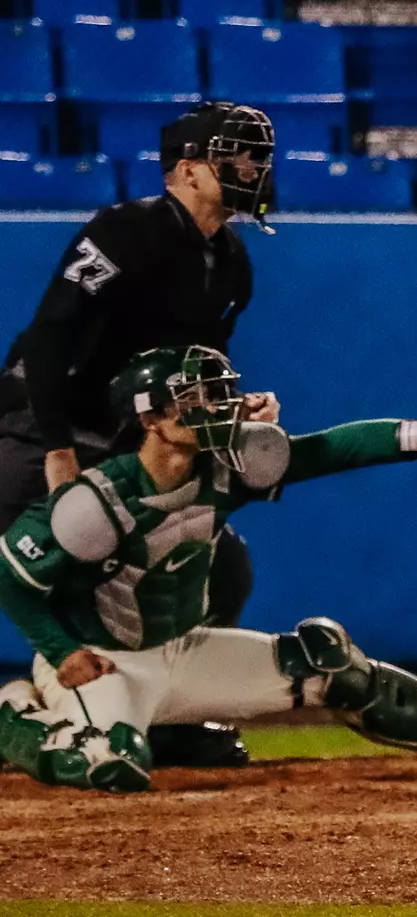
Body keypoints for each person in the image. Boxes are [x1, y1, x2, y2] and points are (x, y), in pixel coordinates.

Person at [0, 346, 417, 793]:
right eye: (199, 397)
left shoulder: (227, 468)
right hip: (105, 662)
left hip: (180, 650)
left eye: (219, 394)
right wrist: (59, 650)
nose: (220, 408)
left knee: (327, 663)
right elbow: (11, 579)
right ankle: (15, 713)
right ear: (152, 417)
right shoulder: (98, 502)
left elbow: (341, 448)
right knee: (111, 764)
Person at [0, 101, 277, 767]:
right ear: (186, 170)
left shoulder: (233, 261)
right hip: (43, 420)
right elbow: (47, 340)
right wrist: (58, 453)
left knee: (224, 566)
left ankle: (175, 717)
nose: (253, 169)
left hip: (131, 434)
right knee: (26, 541)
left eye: (258, 157)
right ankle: (34, 709)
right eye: (236, 156)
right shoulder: (125, 232)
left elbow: (202, 374)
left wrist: (238, 409)